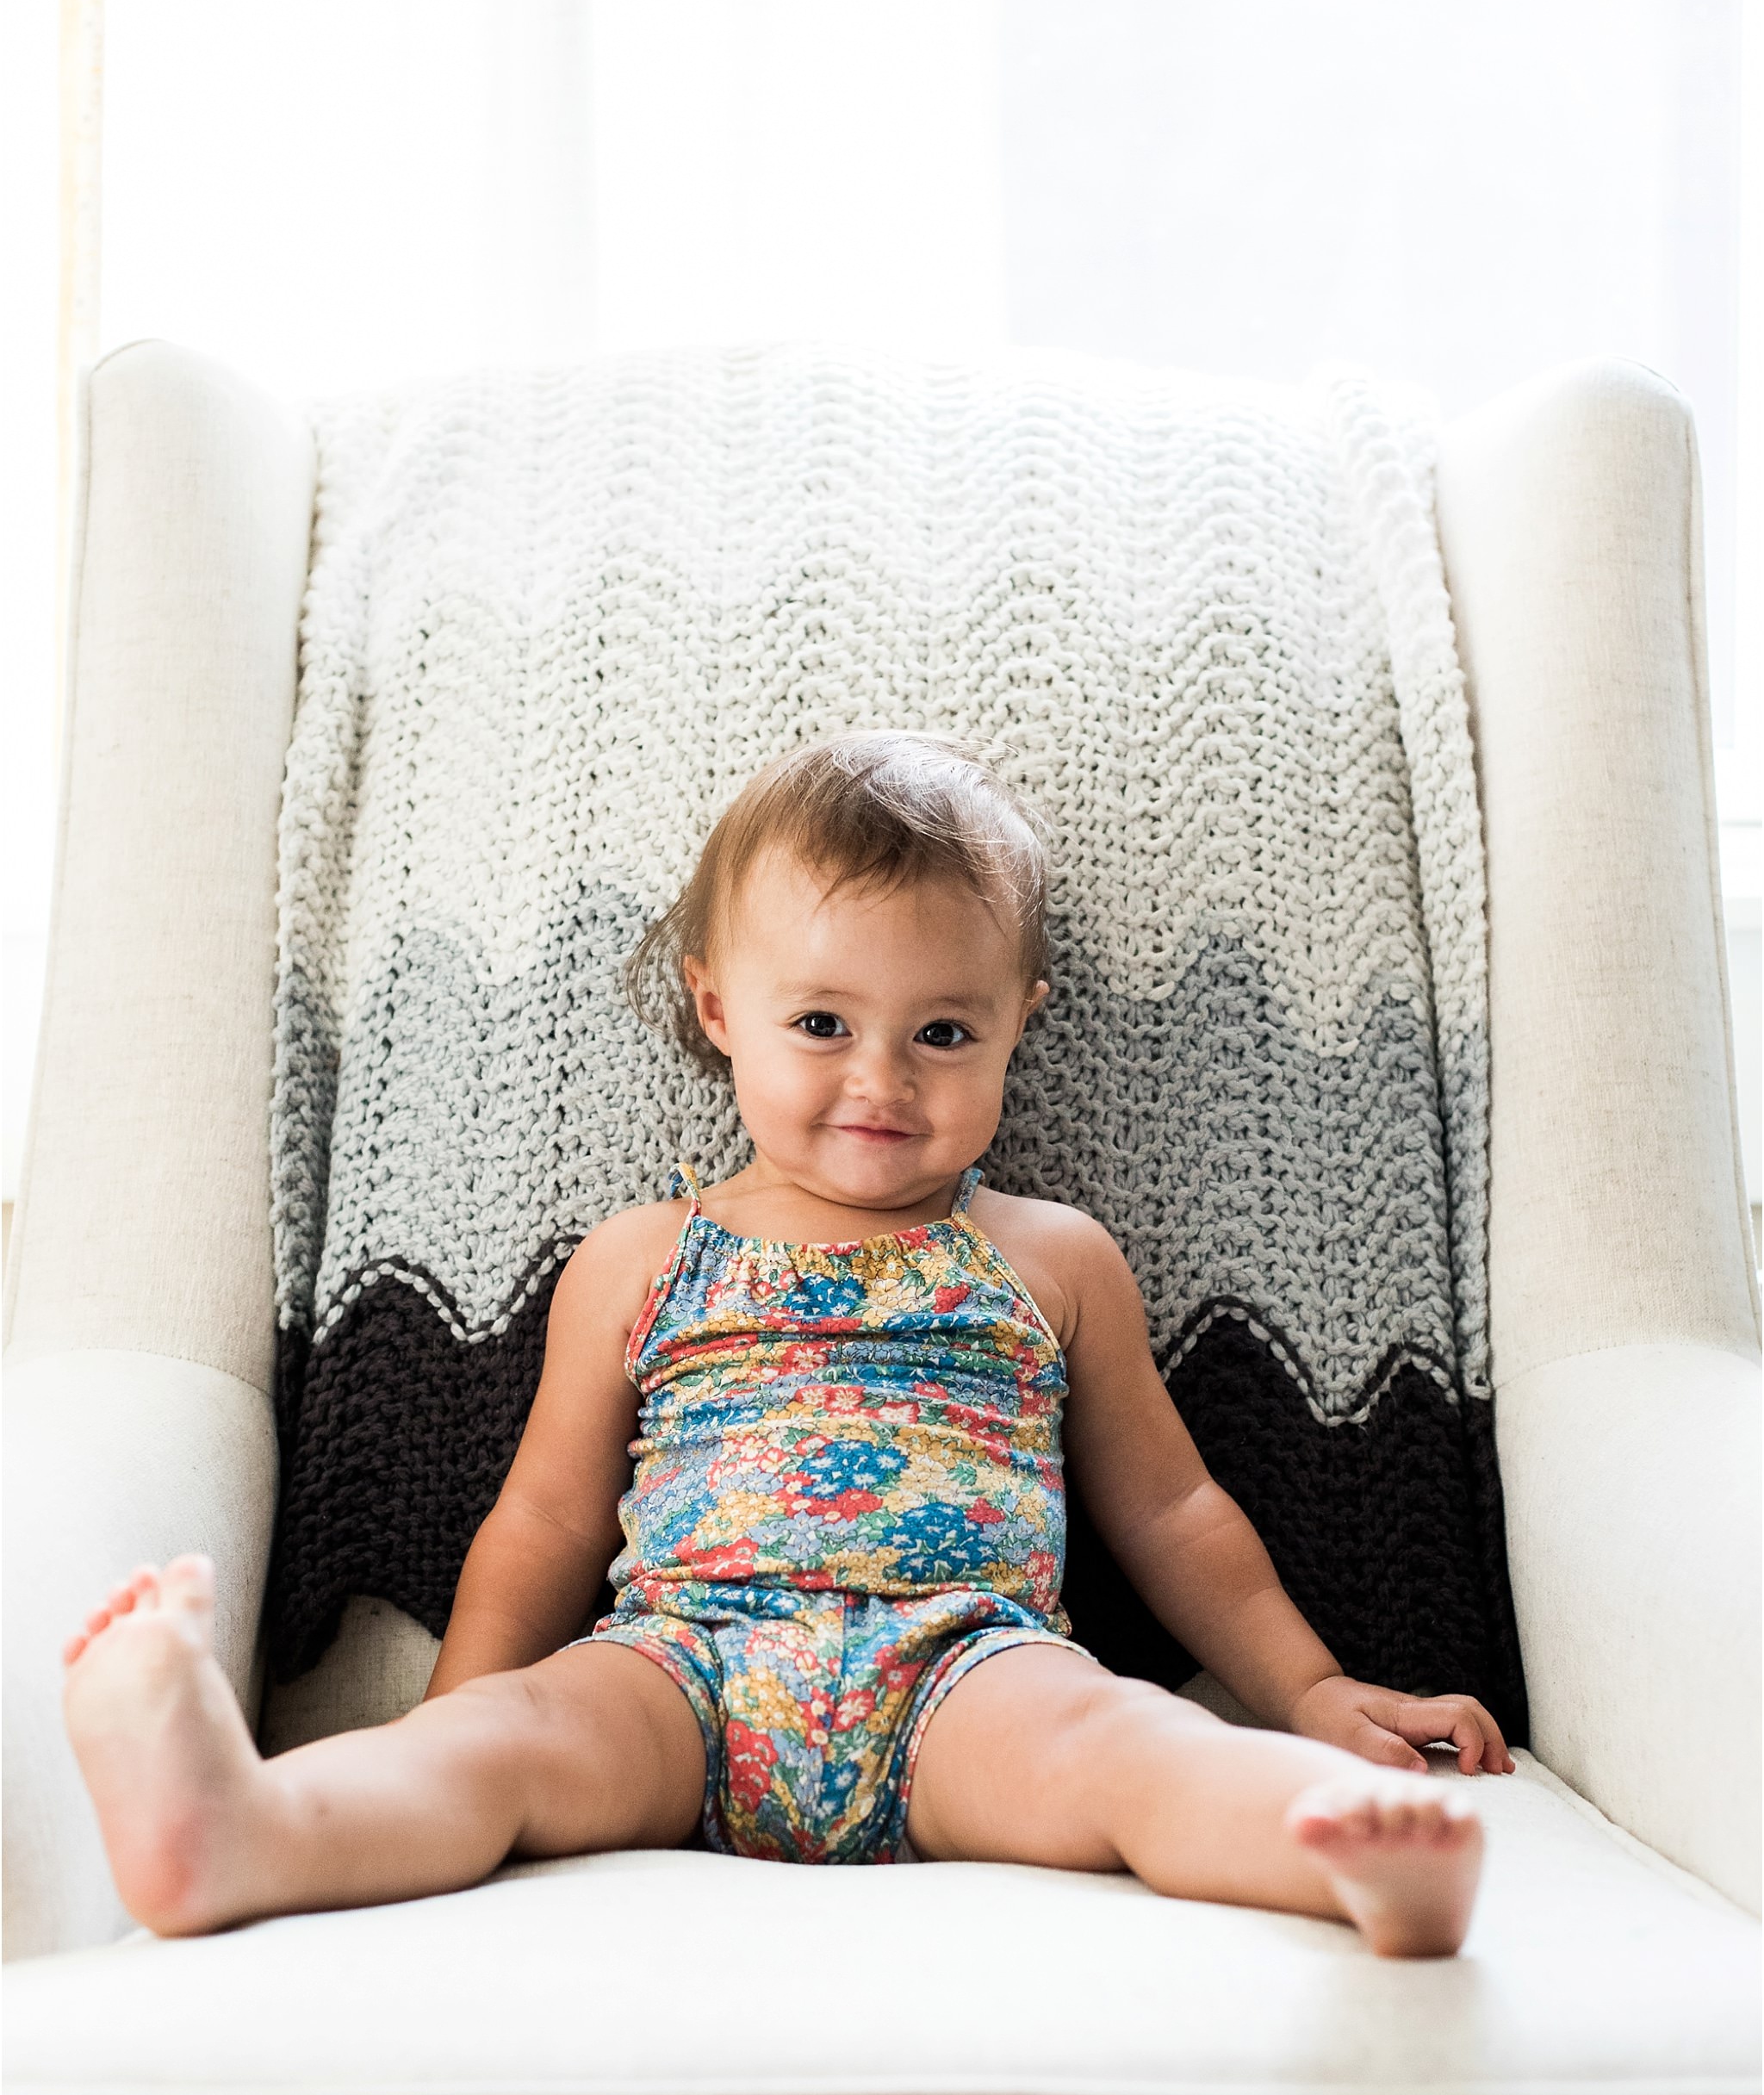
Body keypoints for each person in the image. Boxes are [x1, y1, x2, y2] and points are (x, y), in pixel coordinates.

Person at [63, 732, 1512, 1956]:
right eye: (821, 1020)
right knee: (506, 1752)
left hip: (963, 1672)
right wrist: (464, 1713)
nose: (879, 1077)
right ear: (717, 1007)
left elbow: (1178, 1512)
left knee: (1123, 1744)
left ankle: (1333, 1853)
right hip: (682, 1666)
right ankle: (235, 1831)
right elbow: (550, 1516)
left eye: (944, 1030)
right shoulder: (642, 1259)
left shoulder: (1053, 1260)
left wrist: (1314, 1694)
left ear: (1020, 1026)